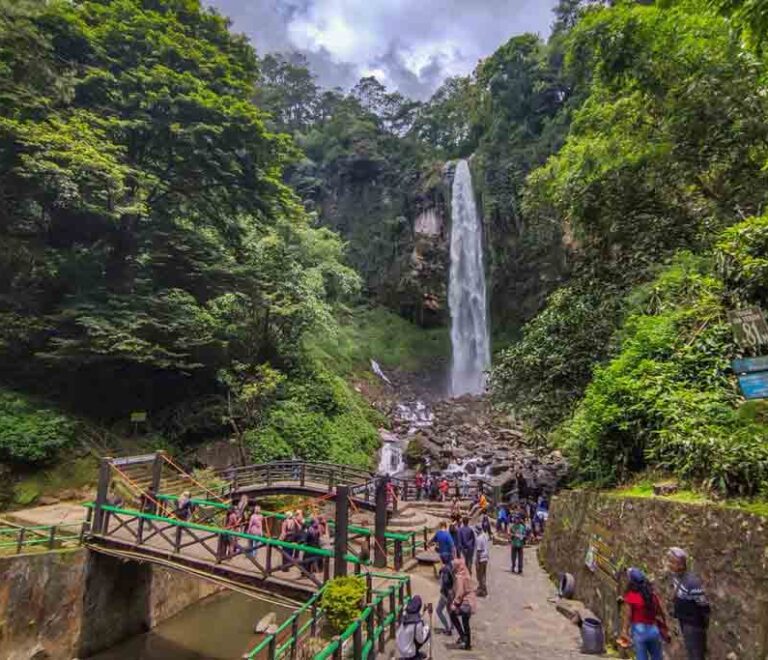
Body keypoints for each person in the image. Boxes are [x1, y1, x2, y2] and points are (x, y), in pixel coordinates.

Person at [667, 547, 710, 660]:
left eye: (672, 562)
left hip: (694, 624)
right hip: (684, 620)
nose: (669, 564)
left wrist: (701, 622)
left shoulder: (692, 583)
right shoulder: (676, 576)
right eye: (669, 561)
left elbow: (703, 605)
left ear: (681, 565)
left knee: (696, 654)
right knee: (691, 652)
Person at [620, 567, 668, 660]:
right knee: (657, 657)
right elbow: (660, 612)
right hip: (654, 630)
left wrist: (624, 631)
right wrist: (664, 628)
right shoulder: (652, 596)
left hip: (639, 631)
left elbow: (628, 616)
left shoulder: (632, 596)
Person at [449, 557, 477, 651]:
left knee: (452, 614)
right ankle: (467, 642)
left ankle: (463, 636)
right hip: (471, 602)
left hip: (465, 603)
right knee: (466, 624)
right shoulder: (466, 573)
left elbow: (460, 592)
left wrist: (455, 604)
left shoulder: (460, 577)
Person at [396, 595, 431, 660]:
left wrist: (423, 612)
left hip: (400, 645)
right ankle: (414, 656)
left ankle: (415, 653)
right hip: (408, 652)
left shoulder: (405, 613)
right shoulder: (417, 622)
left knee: (412, 635)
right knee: (426, 632)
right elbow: (420, 640)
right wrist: (427, 629)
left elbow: (416, 617)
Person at [436, 556, 455, 635]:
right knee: (449, 610)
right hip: (451, 593)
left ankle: (447, 628)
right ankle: (452, 626)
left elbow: (445, 582)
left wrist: (446, 594)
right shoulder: (450, 567)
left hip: (445, 594)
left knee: (438, 610)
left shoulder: (444, 570)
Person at [474, 524, 490, 597]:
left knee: (480, 576)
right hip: (486, 558)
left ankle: (483, 590)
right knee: (483, 575)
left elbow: (478, 551)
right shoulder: (485, 536)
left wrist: (477, 562)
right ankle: (481, 588)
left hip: (481, 559)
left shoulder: (479, 538)